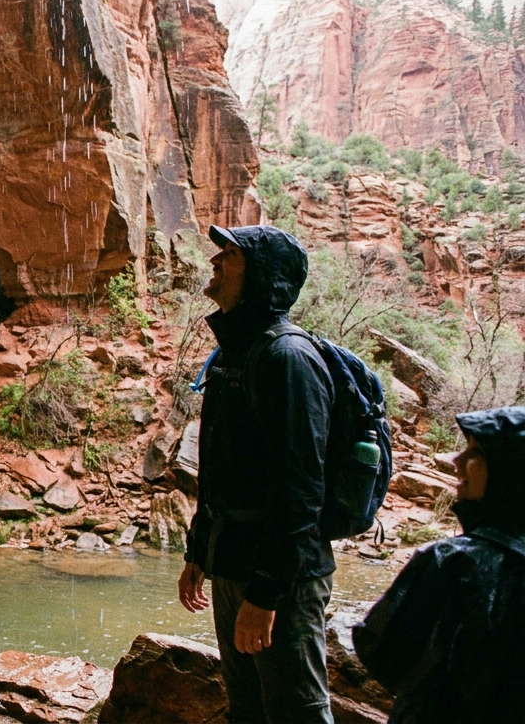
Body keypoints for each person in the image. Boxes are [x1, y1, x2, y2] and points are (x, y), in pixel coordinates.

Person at [176, 225, 335, 723]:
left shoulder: (288, 358)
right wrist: (199, 552)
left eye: (231, 255)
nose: (216, 260)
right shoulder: (232, 355)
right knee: (248, 709)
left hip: (281, 577)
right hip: (231, 563)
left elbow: (301, 489)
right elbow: (220, 471)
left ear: (263, 276)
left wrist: (265, 594)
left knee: (297, 712)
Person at [353, 407, 525, 722]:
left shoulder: (454, 561)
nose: (456, 461)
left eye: (474, 453)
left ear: (508, 470)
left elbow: (385, 655)